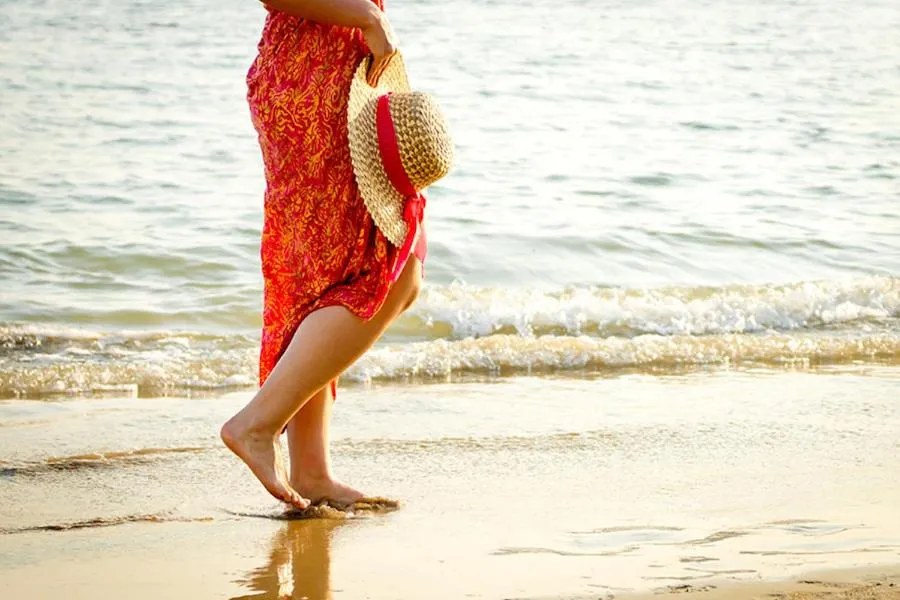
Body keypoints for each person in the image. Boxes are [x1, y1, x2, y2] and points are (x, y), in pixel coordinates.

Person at [220, 0, 425, 509]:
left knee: (326, 275)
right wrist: (369, 19)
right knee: (393, 270)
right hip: (317, 81)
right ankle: (257, 424)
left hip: (335, 75)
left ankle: (311, 471)